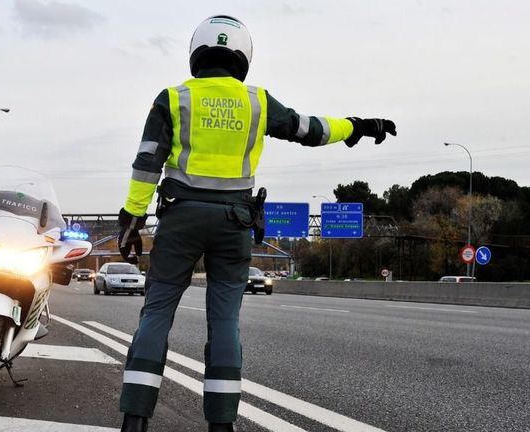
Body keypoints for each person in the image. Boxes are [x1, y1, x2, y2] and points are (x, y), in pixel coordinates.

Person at [116, 15, 396, 432]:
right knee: (225, 321)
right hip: (235, 223)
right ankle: (222, 425)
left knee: (157, 313)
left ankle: (135, 420)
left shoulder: (172, 99)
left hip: (180, 219)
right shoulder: (257, 102)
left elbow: (147, 163)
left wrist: (132, 217)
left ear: (196, 52)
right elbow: (310, 129)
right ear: (243, 56)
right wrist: (356, 126)